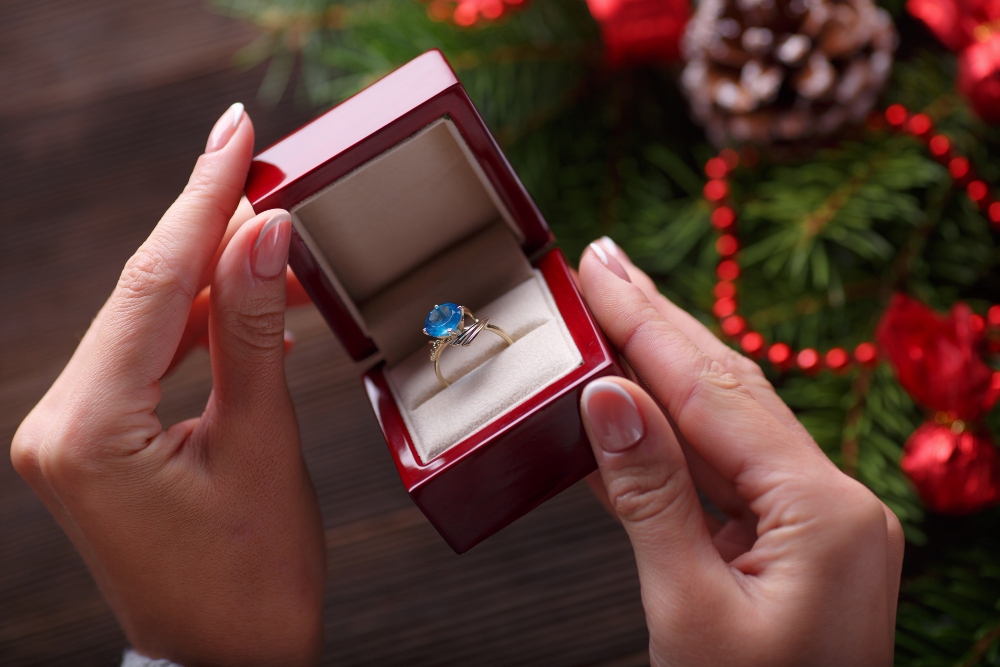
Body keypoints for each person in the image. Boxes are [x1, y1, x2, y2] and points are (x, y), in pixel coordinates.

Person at [10, 105, 904, 667]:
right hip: (459, 332)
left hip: (469, 328)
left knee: (463, 331)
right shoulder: (441, 331)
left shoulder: (457, 321)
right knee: (456, 333)